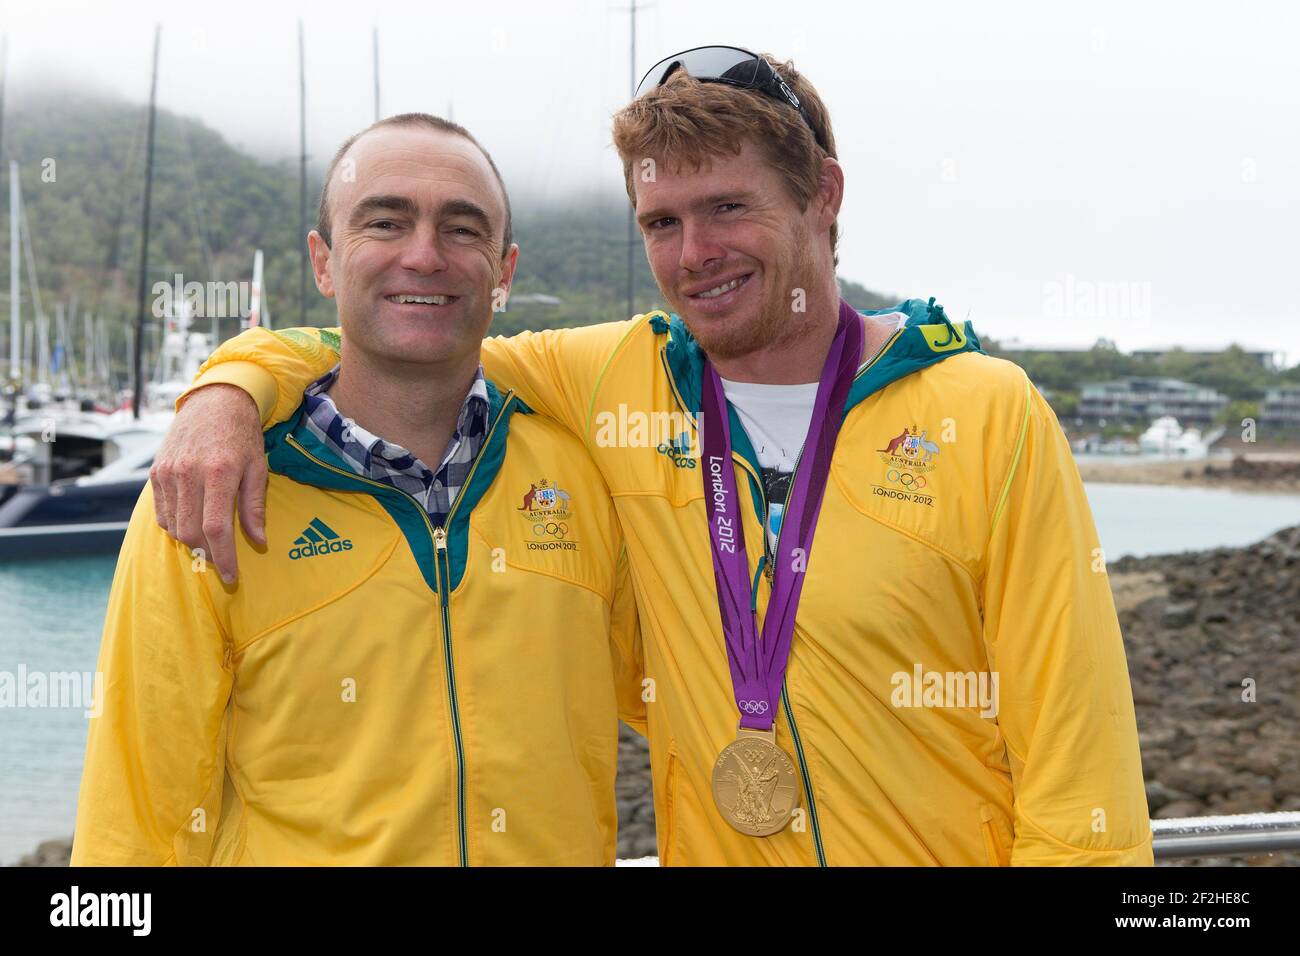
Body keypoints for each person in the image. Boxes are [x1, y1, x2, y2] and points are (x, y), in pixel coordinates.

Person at [150, 48, 1152, 865]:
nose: (692, 253)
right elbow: (399, 332)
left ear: (823, 197)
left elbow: (1079, 757)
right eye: (660, 223)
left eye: (727, 207)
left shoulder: (985, 412)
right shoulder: (615, 378)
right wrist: (226, 390)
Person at [72, 114, 643, 866]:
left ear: (503, 273)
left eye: (462, 230)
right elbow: (139, 811)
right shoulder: (213, 487)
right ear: (323, 261)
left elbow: (684, 699)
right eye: (385, 221)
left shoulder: (583, 475)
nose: (424, 255)